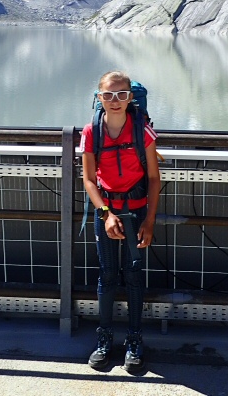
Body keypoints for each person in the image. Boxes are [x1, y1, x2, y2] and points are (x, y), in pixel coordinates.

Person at [81, 70, 161, 374]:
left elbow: (154, 179)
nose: (115, 101)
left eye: (122, 95)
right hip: (107, 212)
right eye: (108, 95)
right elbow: (89, 180)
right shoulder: (91, 132)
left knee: (134, 274)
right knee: (107, 274)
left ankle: (134, 340)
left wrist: (149, 221)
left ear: (130, 98)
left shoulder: (143, 131)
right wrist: (105, 214)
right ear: (99, 98)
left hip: (138, 212)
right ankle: (104, 339)